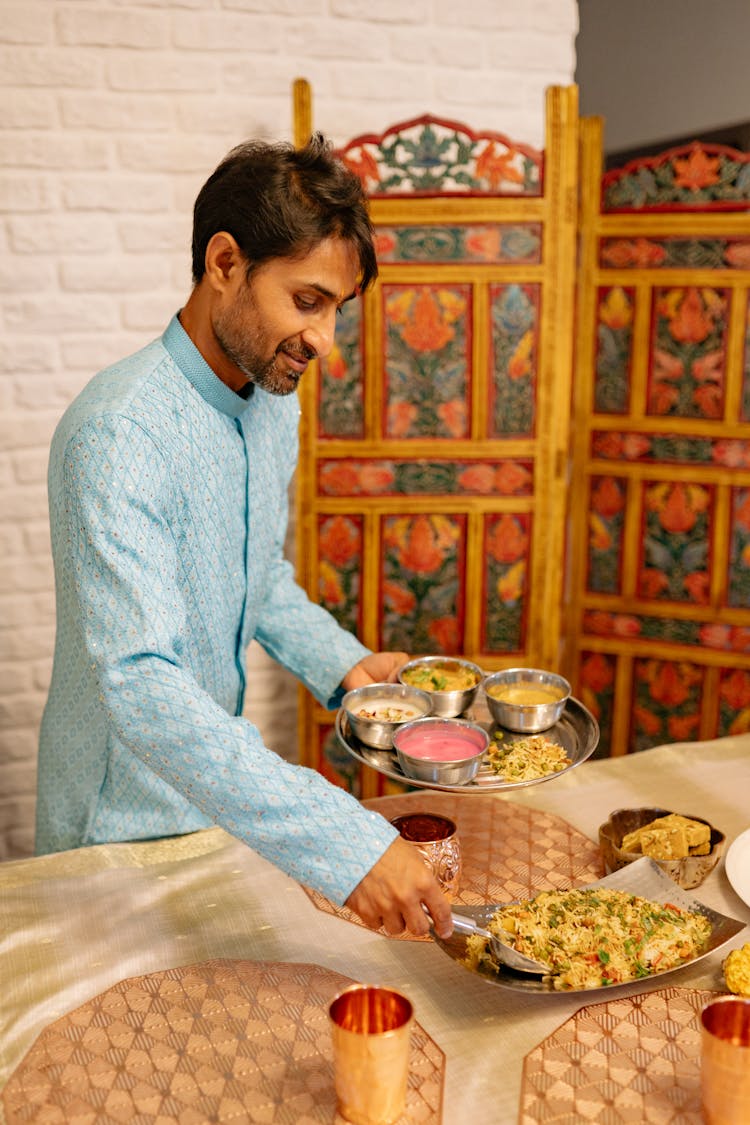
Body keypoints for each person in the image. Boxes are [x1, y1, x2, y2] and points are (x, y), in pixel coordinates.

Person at [36, 134, 452, 941]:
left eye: (338, 309)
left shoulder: (272, 404)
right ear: (224, 262)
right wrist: (346, 843)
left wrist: (343, 664)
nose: (326, 339)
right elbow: (143, 688)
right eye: (307, 301)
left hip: (212, 805)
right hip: (112, 832)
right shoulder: (119, 432)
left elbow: (255, 574)